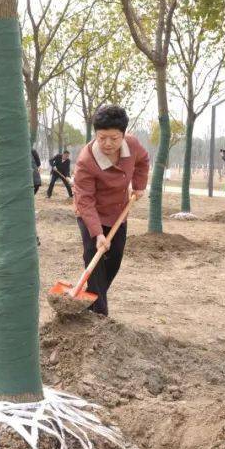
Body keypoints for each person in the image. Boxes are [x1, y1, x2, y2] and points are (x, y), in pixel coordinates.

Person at [72, 105, 150, 316]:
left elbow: (143, 161)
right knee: (93, 257)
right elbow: (85, 200)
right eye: (102, 137)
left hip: (118, 211)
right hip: (91, 213)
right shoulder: (86, 161)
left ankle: (91, 298)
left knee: (114, 258)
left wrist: (139, 184)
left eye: (114, 138)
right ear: (95, 134)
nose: (107, 143)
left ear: (123, 135)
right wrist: (97, 234)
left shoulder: (132, 145)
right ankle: (99, 315)